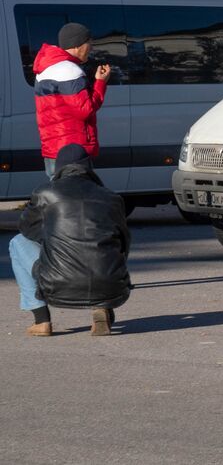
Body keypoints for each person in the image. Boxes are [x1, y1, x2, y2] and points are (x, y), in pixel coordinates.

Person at [9, 144, 131, 337]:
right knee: (108, 252)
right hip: (111, 286)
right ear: (89, 167)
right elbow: (124, 243)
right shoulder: (111, 197)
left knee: (17, 242)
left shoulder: (45, 193)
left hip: (56, 284)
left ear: (58, 167)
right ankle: (103, 305)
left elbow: (26, 228)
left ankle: (41, 320)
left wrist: (53, 237)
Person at [33, 22, 112, 176]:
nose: (91, 47)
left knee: (59, 196)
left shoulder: (47, 68)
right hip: (72, 150)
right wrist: (101, 83)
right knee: (79, 197)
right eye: (89, 43)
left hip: (53, 147)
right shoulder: (69, 70)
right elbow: (85, 110)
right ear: (77, 45)